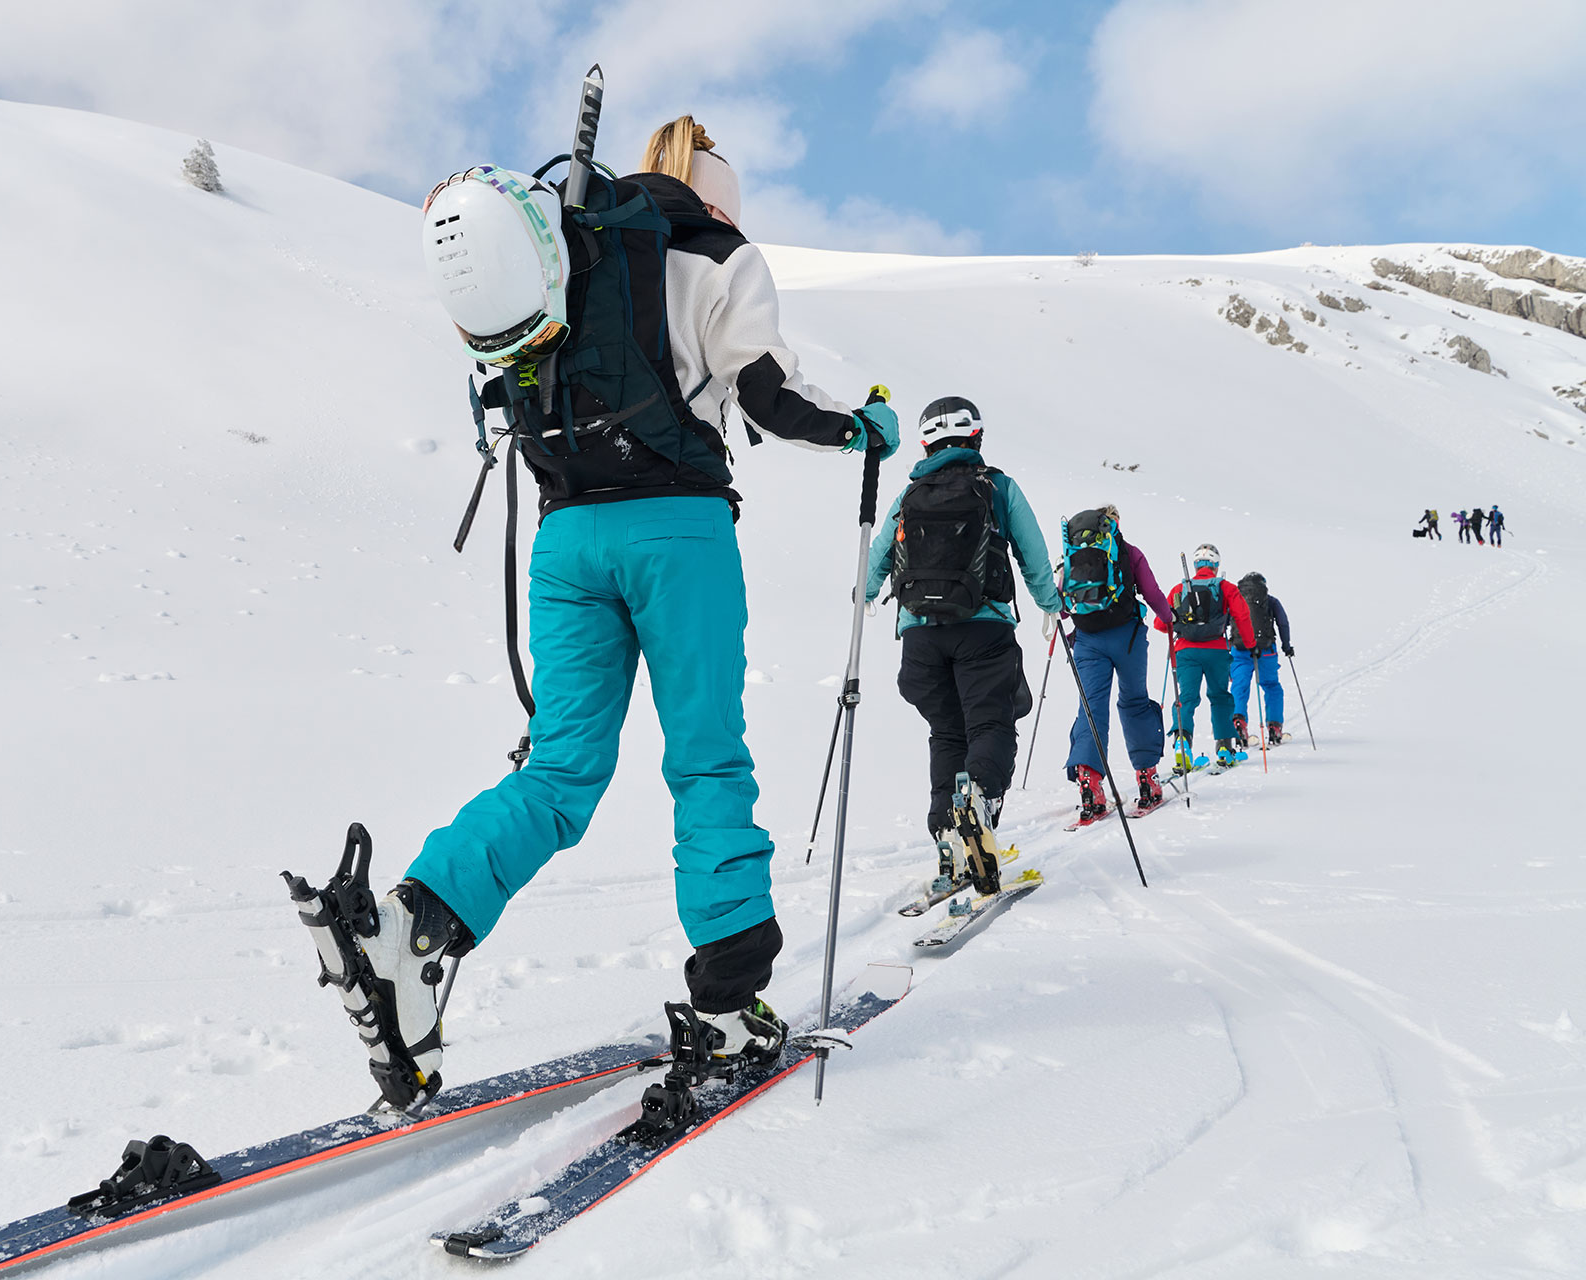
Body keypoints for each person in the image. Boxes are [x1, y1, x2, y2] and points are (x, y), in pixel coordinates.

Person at [330, 118, 902, 1102]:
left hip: (566, 542)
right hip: (676, 532)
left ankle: (410, 921)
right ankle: (727, 1004)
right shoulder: (717, 251)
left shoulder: (564, 259)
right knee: (706, 755)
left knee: (560, 768)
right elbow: (765, 394)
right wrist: (863, 425)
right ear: (719, 195)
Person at [863, 397, 1060, 894]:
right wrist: (1050, 604)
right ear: (976, 438)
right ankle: (980, 800)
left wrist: (863, 595)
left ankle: (948, 836)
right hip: (984, 630)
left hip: (920, 638)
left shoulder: (912, 493)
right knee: (990, 725)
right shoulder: (997, 487)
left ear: (927, 442)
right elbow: (1032, 552)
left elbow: (881, 552)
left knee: (947, 734)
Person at [1057, 506, 1174, 822]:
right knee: (1134, 702)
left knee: (1091, 709)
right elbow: (1151, 592)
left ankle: (1090, 785)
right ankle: (1148, 781)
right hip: (1128, 638)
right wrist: (1169, 618)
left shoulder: (1074, 554)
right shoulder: (1129, 552)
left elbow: (1063, 606)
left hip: (1087, 641)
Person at [1157, 544, 1257, 770]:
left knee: (1187, 697)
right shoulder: (1226, 587)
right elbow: (1242, 616)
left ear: (1195, 565)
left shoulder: (1179, 589)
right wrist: (1249, 644)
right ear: (1216, 565)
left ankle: (1182, 741)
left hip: (1185, 651)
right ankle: (1224, 747)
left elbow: (1160, 624)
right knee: (1220, 696)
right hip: (1217, 651)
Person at [1229, 572, 1294, 747]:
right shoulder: (1271, 601)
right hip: (1266, 650)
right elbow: (1283, 623)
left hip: (1239, 650)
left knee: (1239, 685)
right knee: (1272, 686)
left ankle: (1238, 722)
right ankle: (1274, 726)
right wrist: (1286, 646)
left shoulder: (1235, 599)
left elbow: (1225, 623)